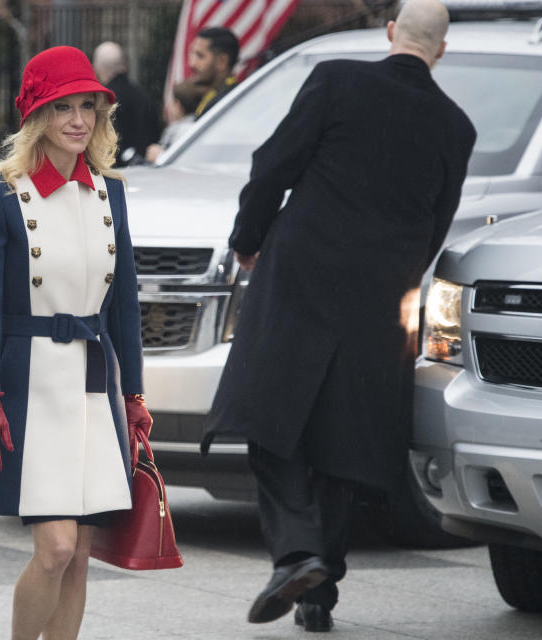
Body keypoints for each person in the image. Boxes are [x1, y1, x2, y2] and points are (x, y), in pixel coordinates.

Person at [204, 0, 475, 632]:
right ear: (440, 50)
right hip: (379, 297)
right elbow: (437, 222)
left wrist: (248, 239)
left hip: (299, 273)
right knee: (341, 445)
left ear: (389, 34)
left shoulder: (335, 79)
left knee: (268, 416)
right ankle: (318, 593)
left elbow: (273, 165)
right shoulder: (455, 126)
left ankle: (298, 554)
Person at [0, 45, 151, 640]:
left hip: (95, 384)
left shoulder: (109, 191)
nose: (78, 120)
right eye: (62, 107)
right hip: (30, 385)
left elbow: (124, 305)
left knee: (81, 552)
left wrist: (135, 397)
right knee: (56, 546)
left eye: (88, 107)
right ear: (36, 116)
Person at [91, 41, 160, 165]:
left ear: (97, 68)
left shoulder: (104, 99)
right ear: (124, 64)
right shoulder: (142, 95)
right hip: (146, 168)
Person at [145, 80, 207, 163]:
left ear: (177, 104)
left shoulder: (182, 130)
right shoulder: (200, 125)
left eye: (172, 101)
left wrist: (159, 156)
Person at [189, 26, 239, 119]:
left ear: (222, 61)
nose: (192, 64)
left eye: (200, 56)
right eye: (192, 54)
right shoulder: (215, 97)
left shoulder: (225, 104)